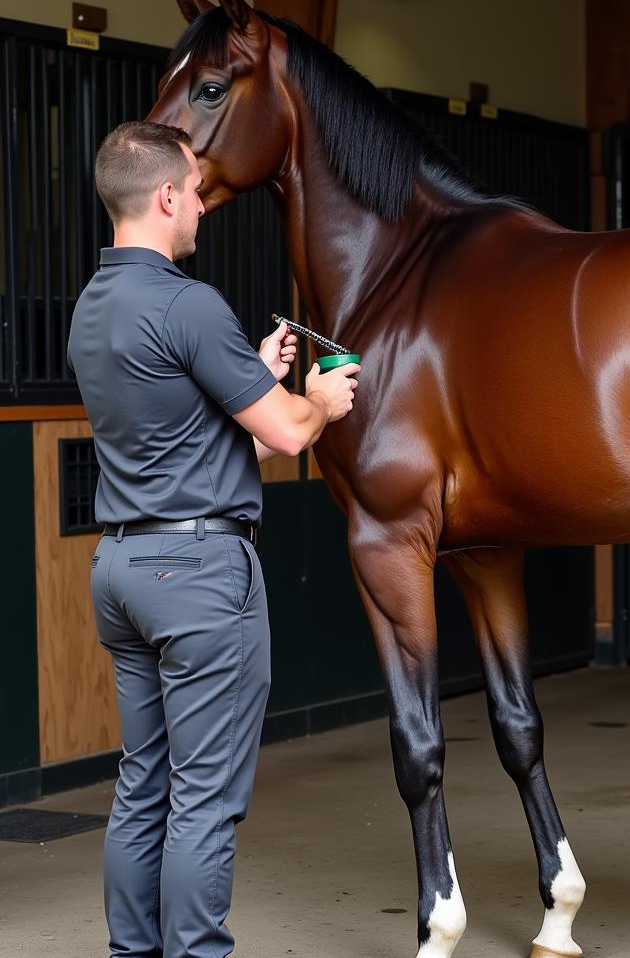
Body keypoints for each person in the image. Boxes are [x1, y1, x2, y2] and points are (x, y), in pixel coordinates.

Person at [66, 120, 359, 958]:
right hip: (196, 574)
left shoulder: (94, 306)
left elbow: (203, 437)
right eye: (195, 191)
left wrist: (256, 376)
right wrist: (320, 398)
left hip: (121, 566)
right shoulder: (187, 303)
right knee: (203, 799)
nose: (202, 206)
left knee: (142, 787)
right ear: (164, 197)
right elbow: (292, 437)